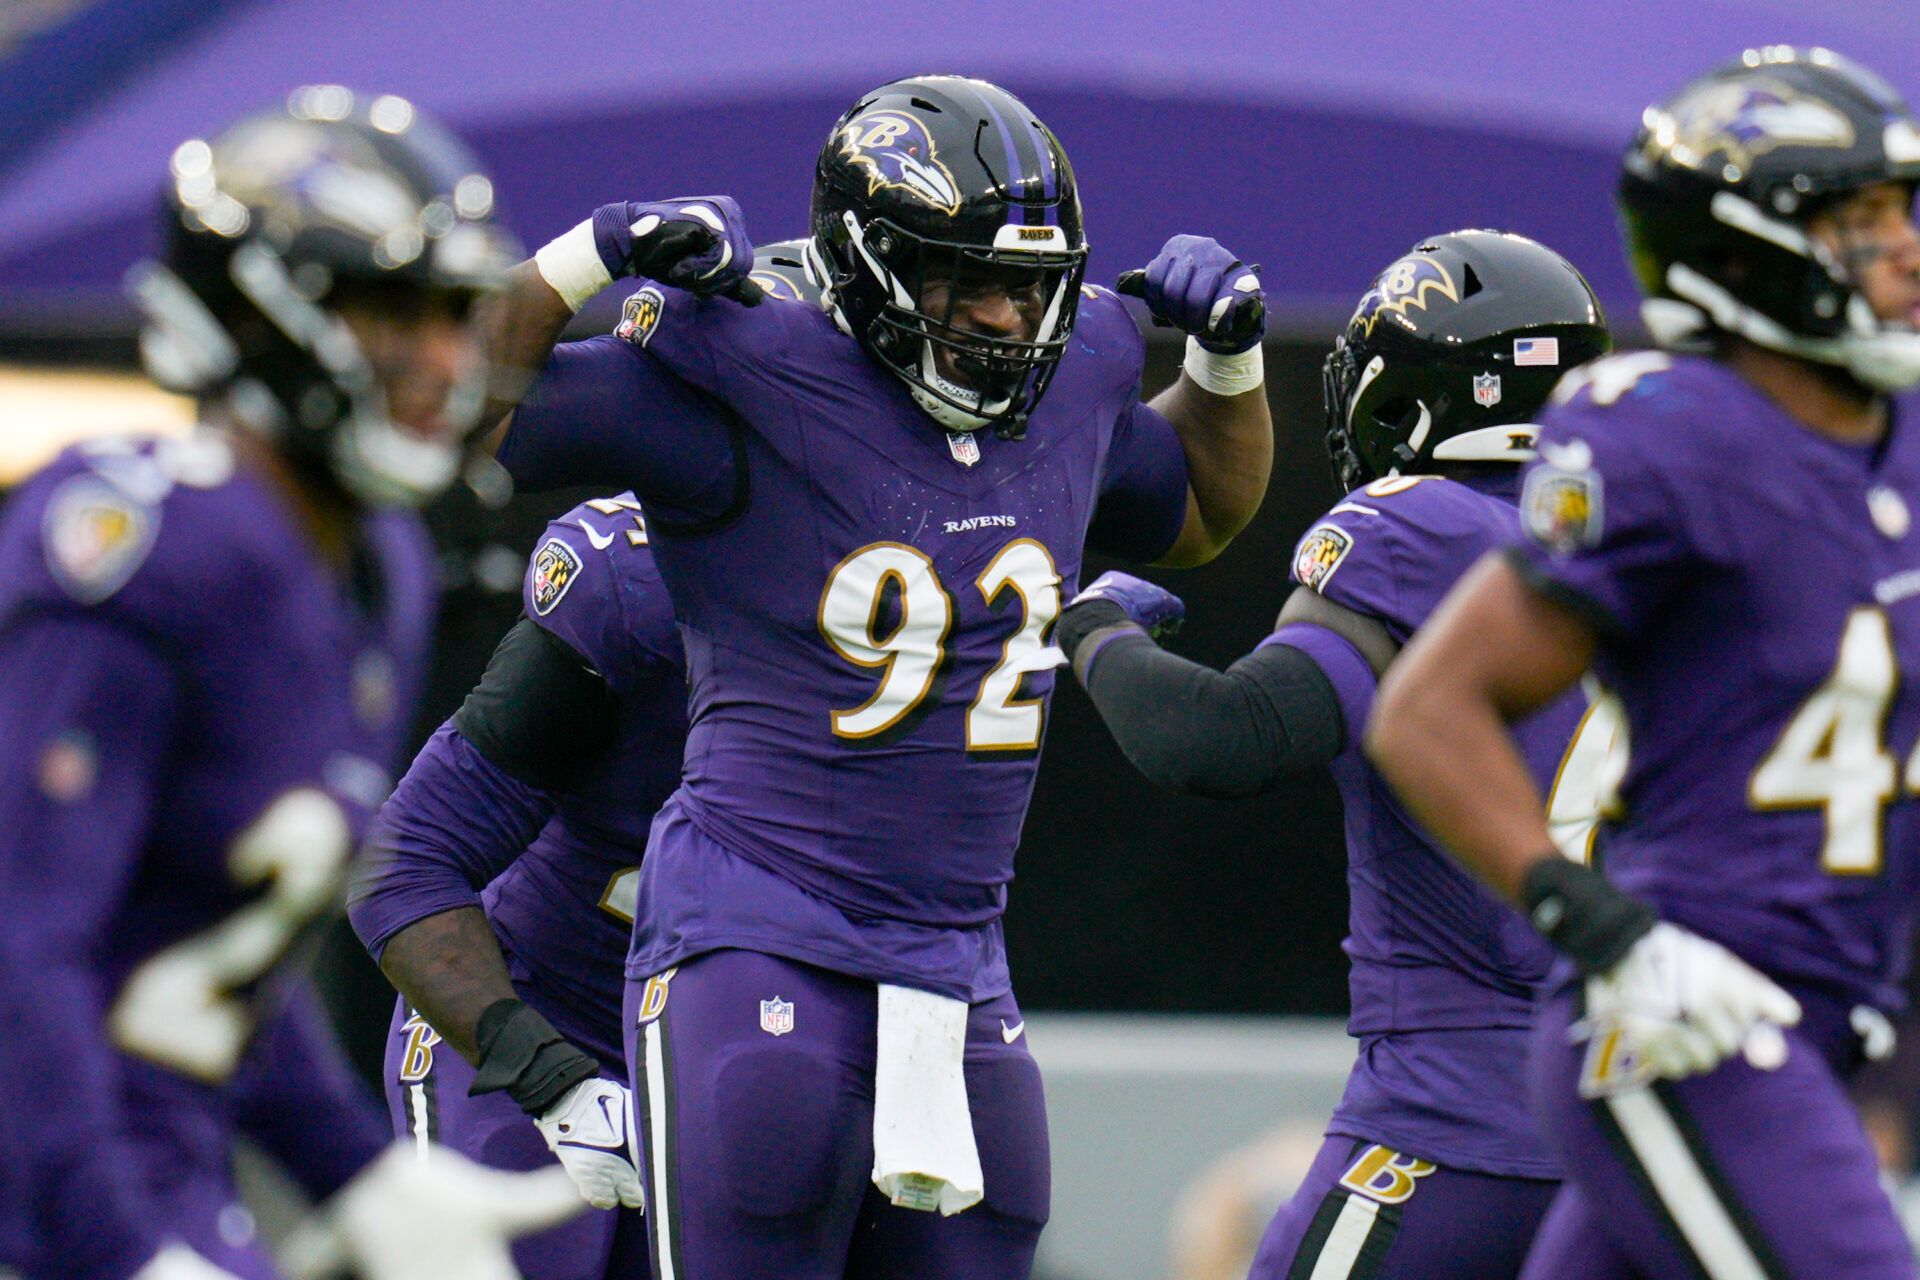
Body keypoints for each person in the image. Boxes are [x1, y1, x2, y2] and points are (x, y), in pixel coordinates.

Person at [479, 74, 1273, 1278]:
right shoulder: (747, 363)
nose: (1007, 321)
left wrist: (1227, 362)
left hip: (958, 961)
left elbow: (1203, 510)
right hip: (760, 934)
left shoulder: (1084, 373)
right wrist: (578, 260)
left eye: (1028, 284)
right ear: (867, 261)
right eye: (969, 280)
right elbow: (456, 408)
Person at [0, 87, 583, 1280]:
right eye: (388, 311)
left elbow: (219, 964)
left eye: (449, 315)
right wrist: (120, 1249)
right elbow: (18, 944)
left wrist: (357, 1173)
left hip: (157, 1171)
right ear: (256, 312)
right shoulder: (148, 544)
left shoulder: (378, 565)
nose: (434, 357)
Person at [1365, 48, 1920, 1279]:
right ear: (1742, 252)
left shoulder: (1900, 438)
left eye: (1900, 213)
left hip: (1837, 1017)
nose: (1905, 248)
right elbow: (1427, 709)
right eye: (1859, 220)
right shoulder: (1674, 436)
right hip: (1686, 1013)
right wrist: (1605, 932)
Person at [1052, 230, 1612, 1278]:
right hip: (1641, 1146)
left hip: (1451, 1138)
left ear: (1404, 403)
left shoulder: (1421, 530)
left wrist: (1094, 629)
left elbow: (1223, 737)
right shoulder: (1674, 546)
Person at [342, 240, 825, 1280]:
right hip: (540, 1021)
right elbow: (404, 861)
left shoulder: (924, 591)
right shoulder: (632, 596)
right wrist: (546, 1071)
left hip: (740, 1041)